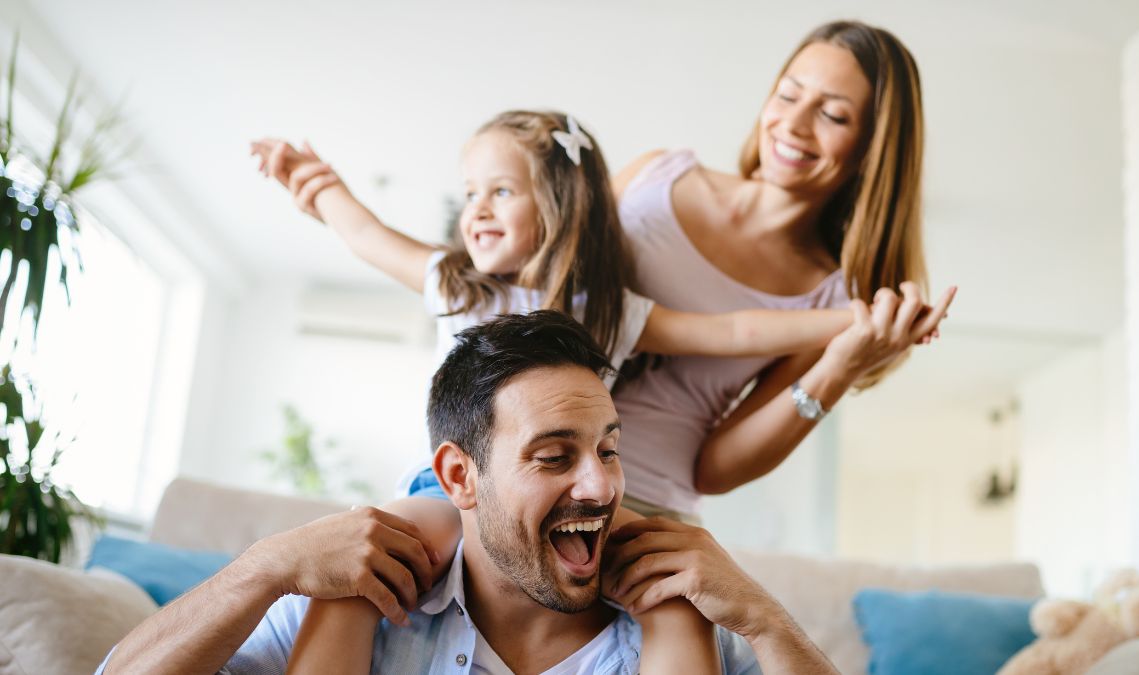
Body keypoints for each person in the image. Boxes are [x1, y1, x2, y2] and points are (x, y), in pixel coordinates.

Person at [249, 108, 948, 672]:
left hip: (595, 520)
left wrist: (859, 320)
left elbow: (734, 329)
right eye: (469, 194)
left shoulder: (613, 310)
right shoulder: (456, 281)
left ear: (555, 204)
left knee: (672, 587)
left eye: (499, 191)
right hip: (448, 501)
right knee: (370, 562)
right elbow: (368, 235)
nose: (476, 210)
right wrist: (318, 185)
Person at [97, 311, 837, 674]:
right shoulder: (354, 593)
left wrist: (770, 622)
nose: (601, 483)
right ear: (459, 477)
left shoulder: (677, 618)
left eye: (610, 449)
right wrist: (261, 567)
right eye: (554, 456)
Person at [609, 19, 943, 517]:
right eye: (788, 96)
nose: (794, 124)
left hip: (643, 505)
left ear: (871, 150)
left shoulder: (830, 299)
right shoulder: (653, 176)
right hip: (525, 465)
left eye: (832, 115)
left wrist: (839, 367)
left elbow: (714, 470)